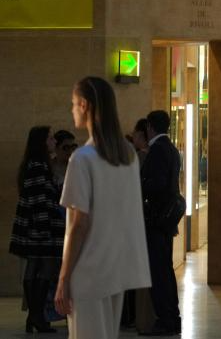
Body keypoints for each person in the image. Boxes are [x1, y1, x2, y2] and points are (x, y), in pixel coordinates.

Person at [55, 77, 150, 339]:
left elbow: (79, 223)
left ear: (84, 105)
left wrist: (63, 278)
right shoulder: (127, 155)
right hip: (115, 269)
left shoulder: (82, 159)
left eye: (74, 103)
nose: (72, 109)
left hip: (87, 269)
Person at [10, 126, 65, 333]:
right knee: (45, 268)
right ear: (41, 142)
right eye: (50, 138)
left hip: (36, 225)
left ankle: (34, 316)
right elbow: (39, 199)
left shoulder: (33, 164)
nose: (54, 141)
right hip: (41, 226)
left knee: (34, 268)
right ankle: (36, 316)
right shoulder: (38, 165)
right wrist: (44, 228)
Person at [140, 110, 183, 336]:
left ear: (149, 127)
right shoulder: (171, 149)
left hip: (156, 220)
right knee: (165, 269)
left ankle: (165, 320)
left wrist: (138, 185)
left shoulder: (157, 150)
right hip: (166, 220)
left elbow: (157, 184)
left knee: (158, 271)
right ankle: (172, 318)